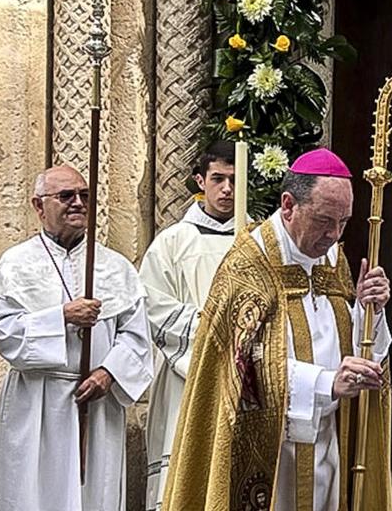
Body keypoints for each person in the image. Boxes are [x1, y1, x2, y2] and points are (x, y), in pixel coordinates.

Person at [162, 148, 392, 511]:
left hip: (330, 440)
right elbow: (236, 369)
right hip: (271, 455)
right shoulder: (248, 265)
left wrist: (370, 312)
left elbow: (355, 346)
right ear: (288, 205)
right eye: (323, 220)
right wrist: (324, 383)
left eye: (344, 222)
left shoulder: (333, 260)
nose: (333, 235)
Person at [0, 165, 154, 511]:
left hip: (97, 404)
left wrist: (109, 374)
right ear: (38, 206)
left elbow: (137, 337)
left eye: (84, 196)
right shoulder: (15, 265)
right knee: (32, 494)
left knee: (94, 495)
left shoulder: (116, 267)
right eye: (66, 196)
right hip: (36, 403)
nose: (77, 203)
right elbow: (5, 333)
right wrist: (60, 317)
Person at [141, 141, 239, 510]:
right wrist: (215, 331)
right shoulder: (172, 242)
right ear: (201, 181)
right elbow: (152, 306)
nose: (227, 189)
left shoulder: (256, 243)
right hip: (186, 377)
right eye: (218, 179)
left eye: (234, 179)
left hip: (242, 374)